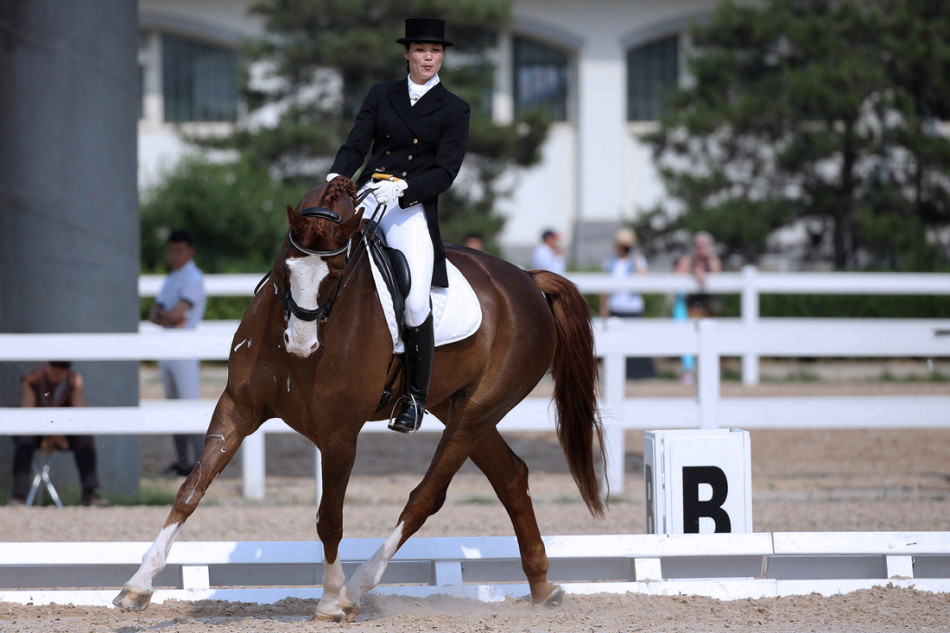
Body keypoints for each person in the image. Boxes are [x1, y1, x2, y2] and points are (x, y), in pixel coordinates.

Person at [326, 17, 470, 433]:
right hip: (369, 195)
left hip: (410, 206)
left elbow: (446, 171)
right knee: (321, 257)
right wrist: (336, 178)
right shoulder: (381, 94)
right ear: (407, 53)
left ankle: (414, 400)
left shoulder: (455, 108)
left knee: (416, 302)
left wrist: (406, 189)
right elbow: (356, 144)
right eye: (421, 50)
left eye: (435, 51)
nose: (428, 57)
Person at [9, 362, 108, 507]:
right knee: (24, 440)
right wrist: (50, 434)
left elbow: (79, 414)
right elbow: (26, 416)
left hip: (63, 431)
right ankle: (19, 495)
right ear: (47, 366)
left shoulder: (73, 380)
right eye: (54, 367)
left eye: (63, 368)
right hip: (35, 430)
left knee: (85, 438)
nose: (58, 371)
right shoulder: (33, 379)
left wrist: (58, 431)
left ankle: (90, 493)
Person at [150, 229, 206, 474]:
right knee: (174, 407)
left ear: (190, 251)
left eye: (179, 250)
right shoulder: (172, 277)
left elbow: (170, 314)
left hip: (184, 348)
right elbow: (158, 315)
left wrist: (168, 317)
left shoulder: (194, 278)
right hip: (168, 347)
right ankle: (183, 462)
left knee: (189, 406)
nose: (174, 255)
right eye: (171, 251)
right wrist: (170, 317)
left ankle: (201, 462)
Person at [600, 228, 655, 379]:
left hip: (632, 306)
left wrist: (636, 263)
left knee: (636, 339)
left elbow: (644, 278)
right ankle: (617, 373)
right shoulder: (611, 262)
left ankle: (640, 374)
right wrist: (604, 306)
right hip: (615, 305)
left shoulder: (637, 260)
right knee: (615, 341)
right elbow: (605, 286)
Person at [682, 231, 723, 318]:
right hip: (691, 301)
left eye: (704, 244)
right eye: (698, 244)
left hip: (710, 302)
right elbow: (681, 270)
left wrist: (710, 256)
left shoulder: (714, 260)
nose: (701, 246)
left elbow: (716, 273)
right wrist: (695, 271)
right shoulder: (689, 259)